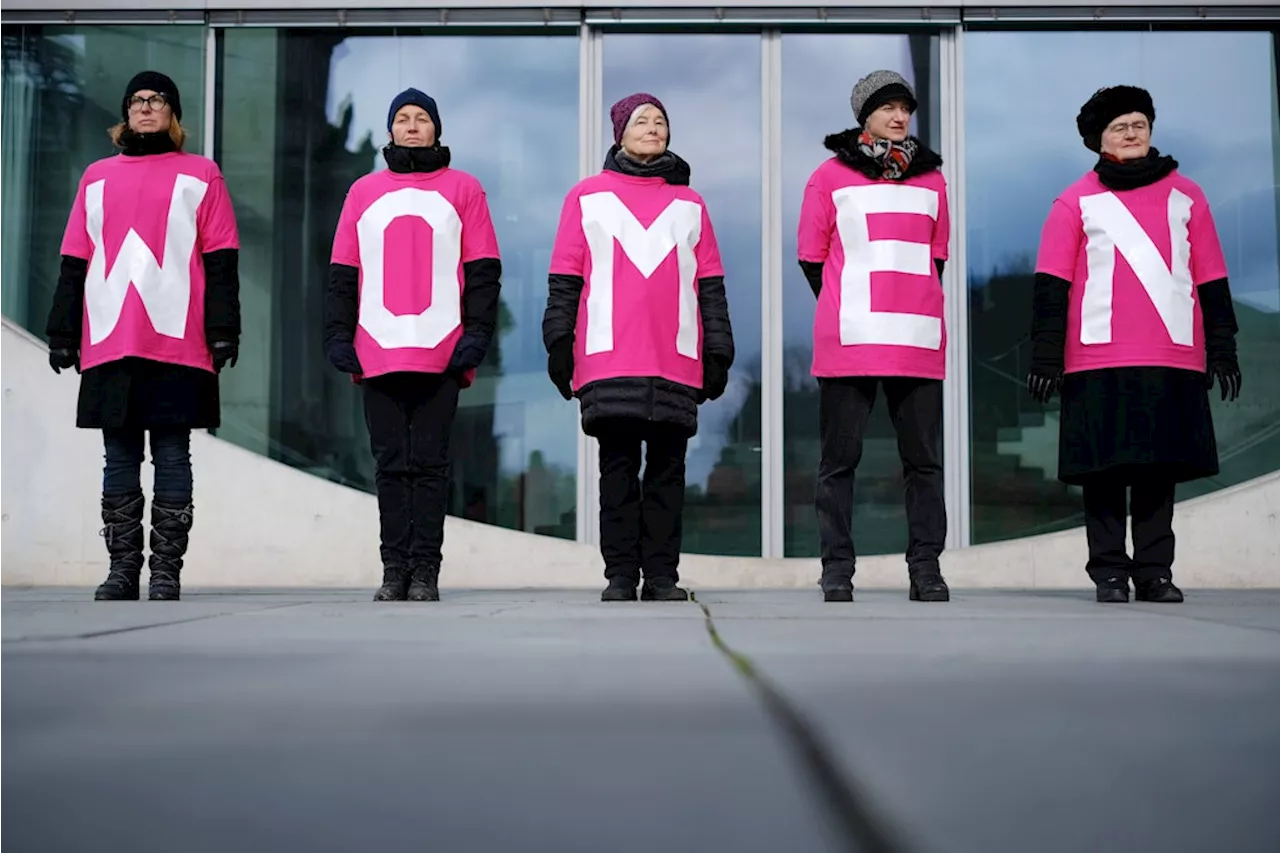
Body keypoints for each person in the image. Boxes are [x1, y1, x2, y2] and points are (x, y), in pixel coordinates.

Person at [1027, 85, 1241, 604]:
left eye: (1139, 124)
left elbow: (1211, 277)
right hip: (1095, 356)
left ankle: (1154, 572)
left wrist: (1223, 347)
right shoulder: (1074, 200)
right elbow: (1052, 284)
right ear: (1099, 140)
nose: (1131, 132)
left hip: (1171, 352)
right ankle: (1109, 573)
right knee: (1102, 473)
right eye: (1119, 126)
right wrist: (1046, 355)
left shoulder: (1187, 194)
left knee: (1157, 470)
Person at [46, 71, 241, 602]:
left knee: (174, 455)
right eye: (136, 100)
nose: (145, 107)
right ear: (125, 113)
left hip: (178, 339)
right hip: (111, 335)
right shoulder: (96, 177)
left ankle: (166, 573)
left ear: (172, 114)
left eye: (156, 100)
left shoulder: (202, 174)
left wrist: (224, 330)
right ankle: (121, 570)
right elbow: (74, 261)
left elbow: (221, 260)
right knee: (118, 458)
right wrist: (62, 332)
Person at [543, 93, 734, 603]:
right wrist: (559, 341)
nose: (653, 128)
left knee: (669, 473)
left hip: (676, 356)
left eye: (660, 121)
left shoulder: (691, 203)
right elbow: (564, 280)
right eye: (641, 121)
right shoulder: (586, 196)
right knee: (619, 468)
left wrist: (719, 349)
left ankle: (663, 577)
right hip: (609, 356)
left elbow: (710, 286)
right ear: (619, 133)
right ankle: (621, 576)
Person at [324, 88, 502, 603]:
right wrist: (338, 334)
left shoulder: (464, 188)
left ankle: (425, 570)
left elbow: (483, 270)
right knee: (389, 463)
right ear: (389, 130)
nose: (411, 126)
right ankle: (392, 569)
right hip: (377, 348)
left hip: (440, 351)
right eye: (401, 118)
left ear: (437, 129)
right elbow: (342, 271)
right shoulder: (362, 191)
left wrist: (476, 335)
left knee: (430, 462)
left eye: (421, 118)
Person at [797, 70, 951, 604]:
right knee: (839, 462)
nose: (899, 115)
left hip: (917, 338)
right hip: (851, 338)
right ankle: (836, 569)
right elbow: (811, 258)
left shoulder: (932, 180)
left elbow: (938, 256)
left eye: (905, 107)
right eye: (888, 107)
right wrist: (848, 306)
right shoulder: (829, 177)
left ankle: (926, 568)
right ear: (864, 115)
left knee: (924, 462)